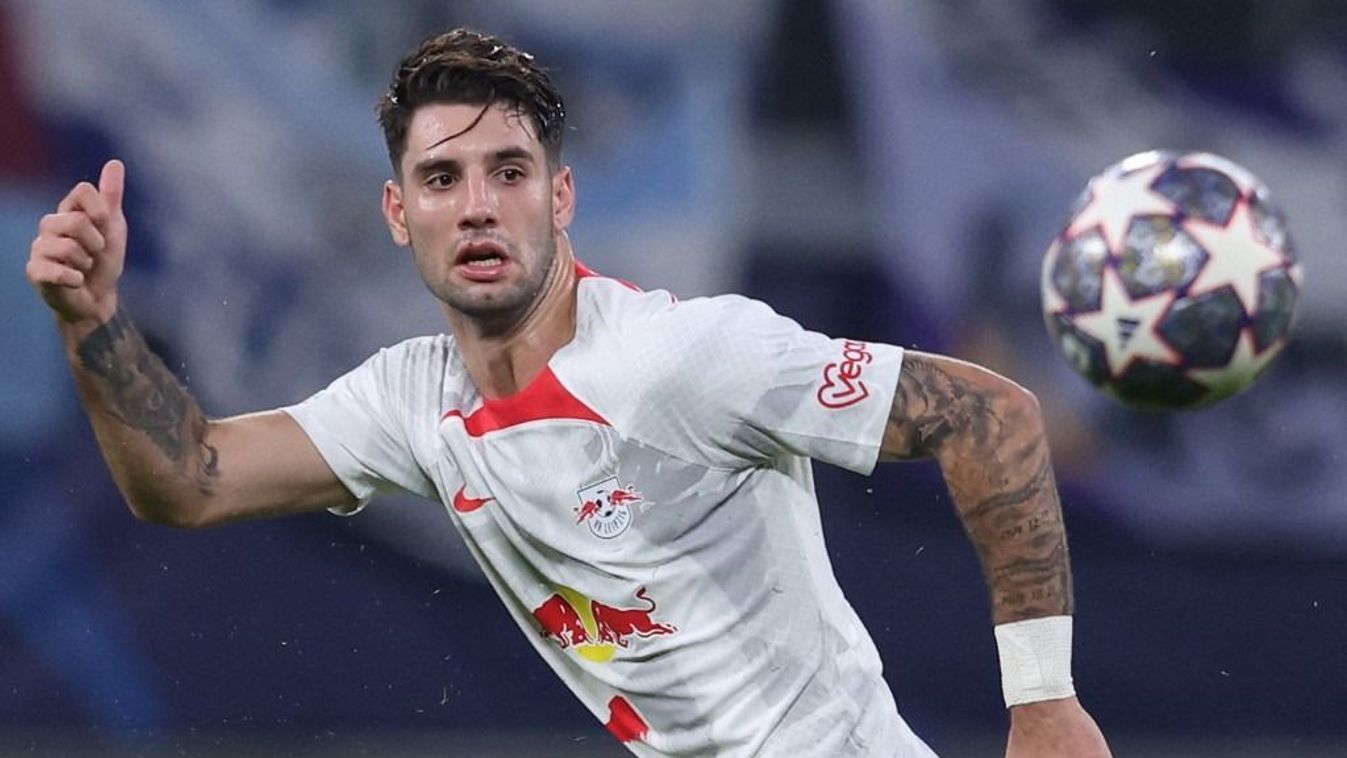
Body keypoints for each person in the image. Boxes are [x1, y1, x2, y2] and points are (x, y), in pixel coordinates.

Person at [26, 27, 1110, 758]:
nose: (478, 207)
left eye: (509, 172)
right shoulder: (411, 399)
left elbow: (990, 414)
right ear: (400, 214)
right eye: (442, 179)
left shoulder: (685, 357)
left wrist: (1044, 700)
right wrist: (94, 324)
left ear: (562, 198)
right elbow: (192, 480)